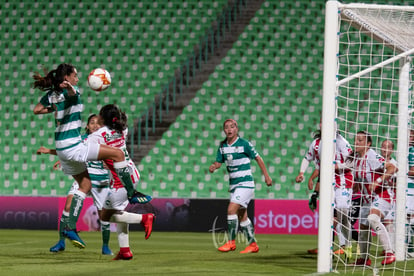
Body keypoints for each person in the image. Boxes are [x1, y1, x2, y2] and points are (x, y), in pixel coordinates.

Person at [33, 63, 151, 248]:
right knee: (118, 154)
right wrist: (70, 89)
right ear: (68, 78)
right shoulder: (74, 91)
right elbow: (72, 93)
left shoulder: (52, 96)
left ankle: (70, 228)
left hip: (62, 147)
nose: (78, 79)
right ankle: (132, 193)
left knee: (83, 185)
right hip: (73, 145)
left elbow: (37, 110)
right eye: (75, 76)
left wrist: (56, 108)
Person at [87, 104, 155, 260]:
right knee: (120, 213)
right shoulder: (122, 129)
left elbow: (82, 148)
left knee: (105, 216)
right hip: (132, 173)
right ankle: (125, 251)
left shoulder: (100, 134)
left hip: (121, 180)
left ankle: (144, 218)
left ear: (102, 118)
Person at [45, 114, 113, 255]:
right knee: (68, 206)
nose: (95, 125)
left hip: (100, 180)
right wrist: (50, 152)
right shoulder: (80, 140)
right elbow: (66, 152)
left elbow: (116, 156)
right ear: (87, 126)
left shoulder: (107, 141)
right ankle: (61, 242)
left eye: (98, 122)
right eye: (92, 122)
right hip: (84, 177)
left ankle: (106, 246)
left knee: (103, 215)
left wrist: (110, 164)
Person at [208, 119, 272, 254]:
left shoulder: (244, 144)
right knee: (242, 216)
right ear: (224, 130)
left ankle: (231, 242)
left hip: (246, 184)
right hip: (234, 185)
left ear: (236, 129)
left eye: (232, 127)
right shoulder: (222, 146)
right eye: (226, 127)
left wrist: (266, 176)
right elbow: (219, 163)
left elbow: (258, 158)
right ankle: (253, 244)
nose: (229, 129)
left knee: (231, 210)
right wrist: (214, 166)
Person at [296, 125, 354, 259]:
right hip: (328, 183)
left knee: (342, 213)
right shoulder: (317, 144)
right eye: (322, 122)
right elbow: (312, 162)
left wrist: (337, 166)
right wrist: (304, 174)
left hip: (344, 182)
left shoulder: (341, 142)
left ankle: (347, 243)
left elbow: (352, 163)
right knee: (329, 216)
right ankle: (328, 248)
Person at [351, 131, 397, 266]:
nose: (356, 143)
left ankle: (389, 252)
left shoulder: (372, 156)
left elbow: (392, 167)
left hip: (381, 196)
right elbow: (361, 178)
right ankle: (364, 259)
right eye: (356, 140)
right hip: (367, 199)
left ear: (368, 143)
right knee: (363, 228)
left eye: (360, 140)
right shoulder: (357, 159)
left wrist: (377, 181)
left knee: (372, 219)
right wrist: (356, 186)